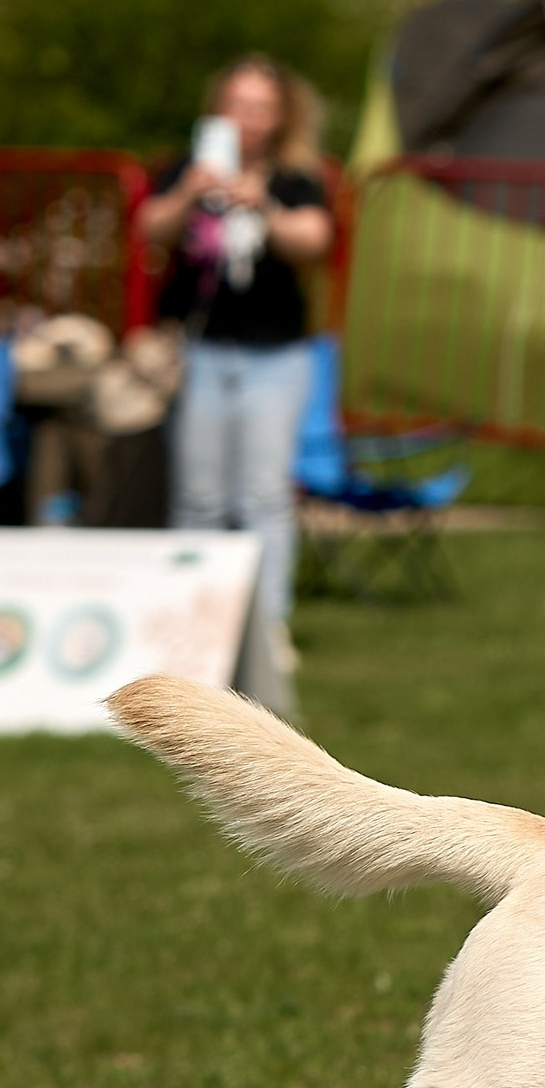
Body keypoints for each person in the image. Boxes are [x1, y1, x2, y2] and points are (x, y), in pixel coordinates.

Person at [136, 56, 335, 688]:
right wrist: (191, 192)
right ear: (218, 107)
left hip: (275, 355)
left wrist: (265, 207)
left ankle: (265, 630)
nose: (246, 119)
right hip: (204, 352)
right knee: (198, 495)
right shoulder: (190, 169)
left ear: (279, 119)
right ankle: (190, 625)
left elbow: (315, 240)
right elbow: (148, 228)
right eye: (236, 104)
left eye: (260, 107)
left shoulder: (297, 177)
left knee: (262, 496)